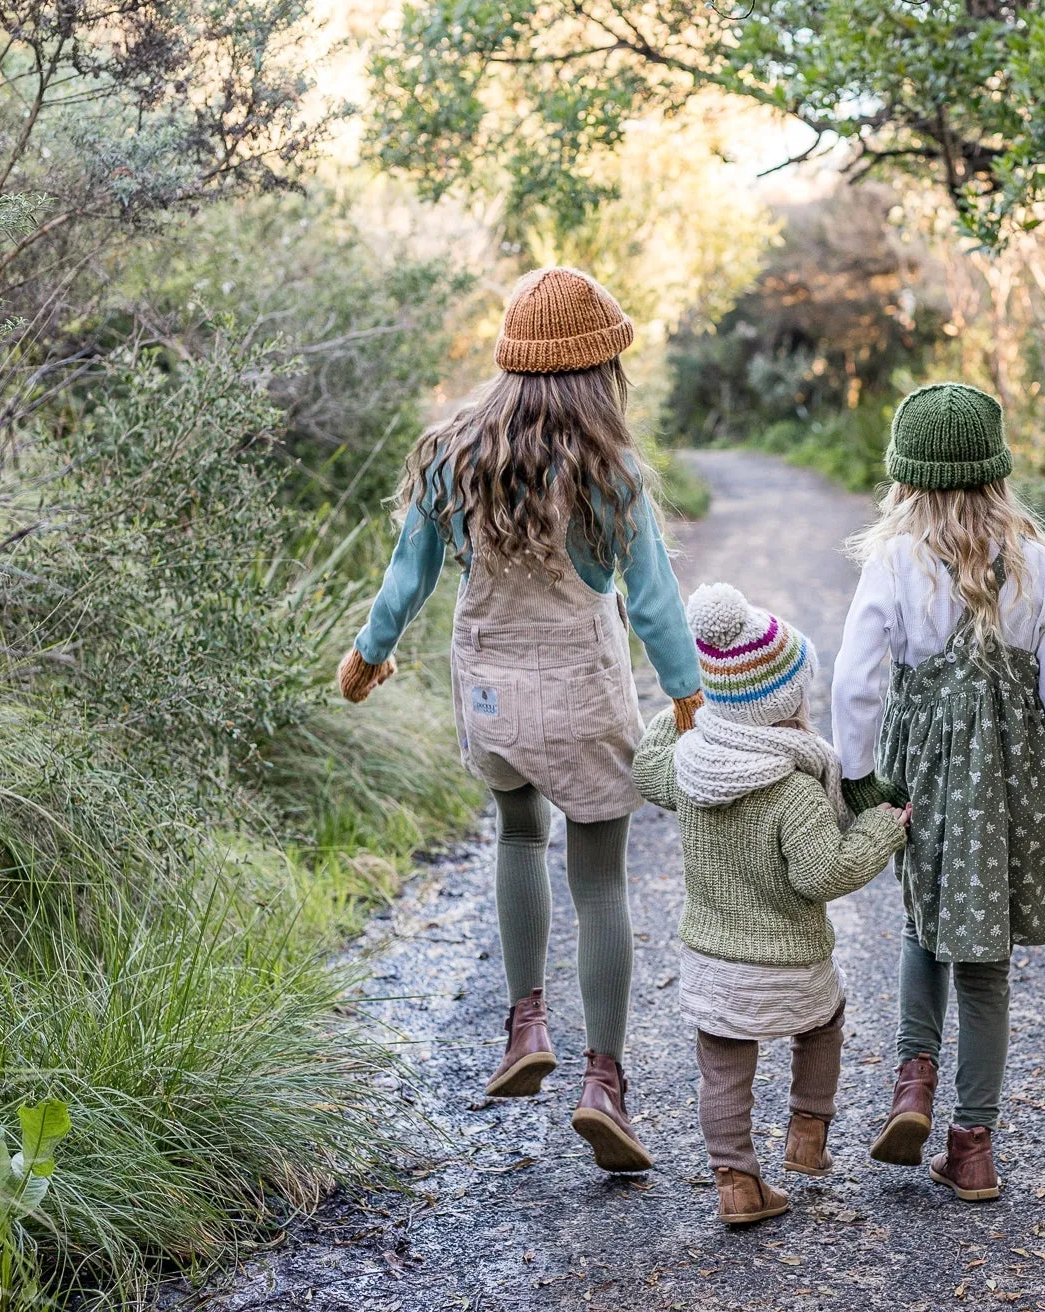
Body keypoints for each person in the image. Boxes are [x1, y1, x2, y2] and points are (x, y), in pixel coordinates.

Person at [336, 267, 703, 1174]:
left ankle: (524, 1021)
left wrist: (370, 650)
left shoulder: (453, 453)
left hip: (491, 691)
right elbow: (653, 601)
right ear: (598, 374)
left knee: (514, 834)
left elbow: (408, 575)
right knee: (601, 879)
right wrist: (689, 691)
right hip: (581, 691)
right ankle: (603, 1081)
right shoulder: (610, 472)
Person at [830, 381, 1045, 1202]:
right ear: (997, 470)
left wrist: (857, 777)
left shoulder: (893, 559)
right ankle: (973, 1146)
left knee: (926, 919)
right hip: (1016, 783)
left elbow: (854, 681)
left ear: (905, 477)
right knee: (986, 956)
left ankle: (912, 1084)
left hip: (922, 772)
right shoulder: (1040, 564)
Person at [633, 582, 908, 1224]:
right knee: (823, 1019)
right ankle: (808, 1134)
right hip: (790, 964)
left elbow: (647, 770)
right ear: (786, 700)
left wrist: (673, 712)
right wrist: (882, 829)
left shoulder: (691, 766)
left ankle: (736, 1182)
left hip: (715, 961)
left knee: (723, 1069)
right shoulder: (794, 788)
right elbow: (822, 873)